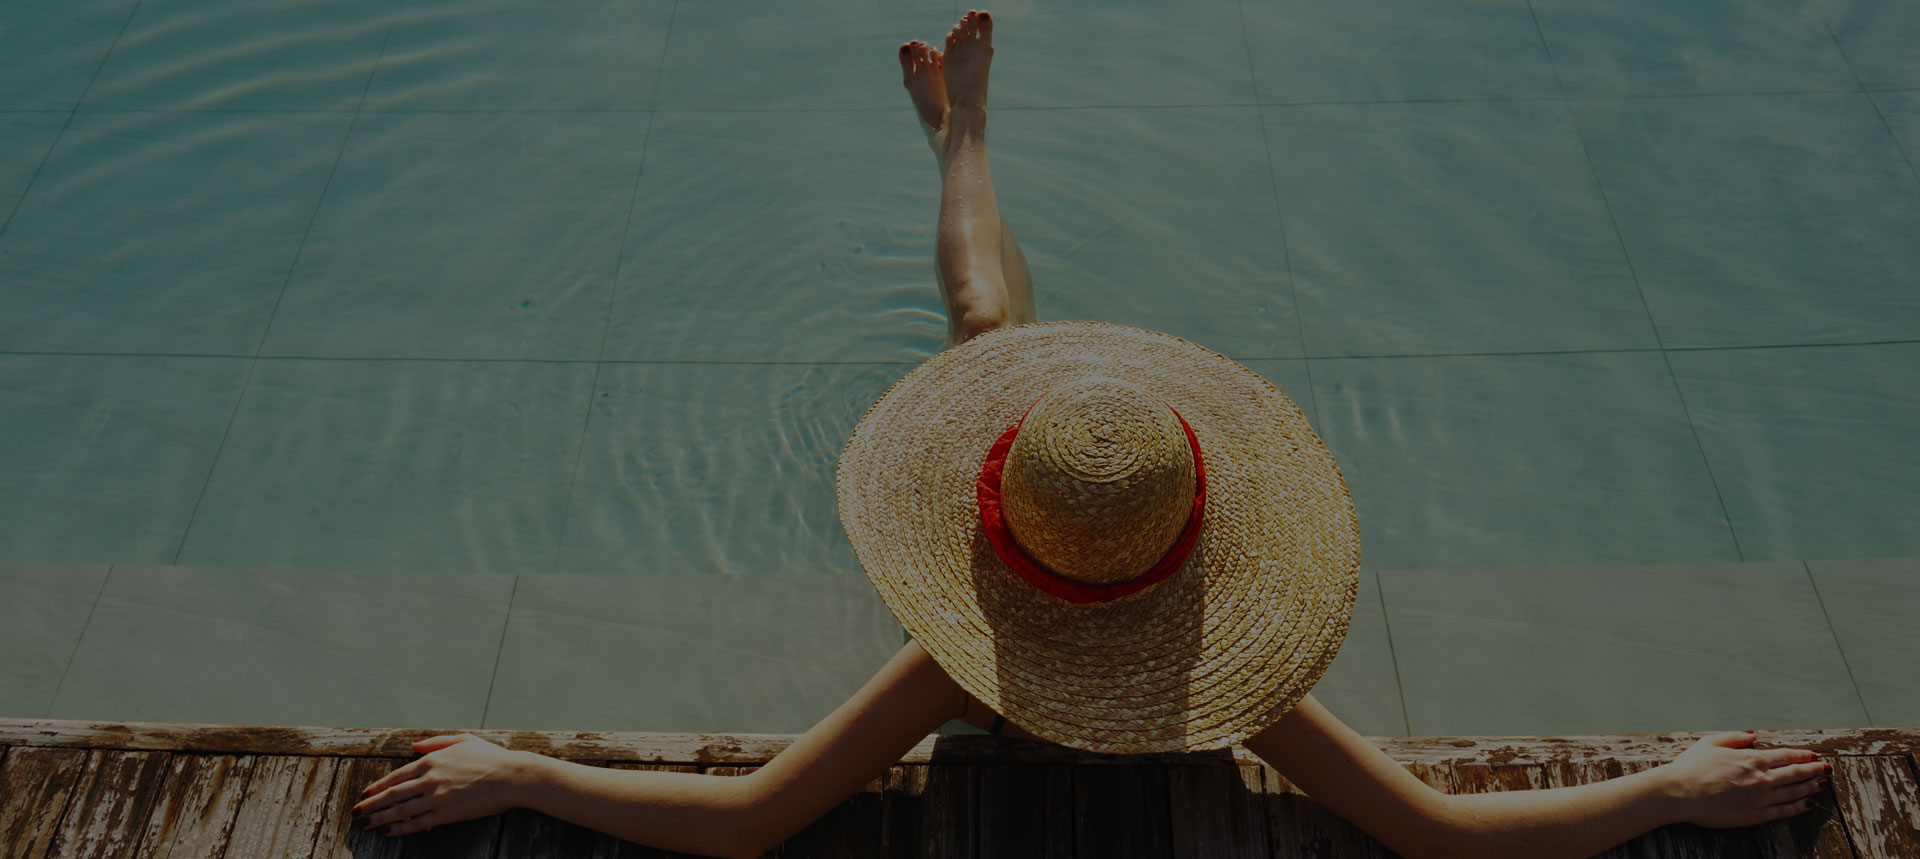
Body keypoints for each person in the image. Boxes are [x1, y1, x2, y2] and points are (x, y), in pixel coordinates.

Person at [346, 12, 1832, 859]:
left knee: (990, 333)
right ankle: (968, 141)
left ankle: (967, 143)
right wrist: (1664, 791)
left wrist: (523, 768)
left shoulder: (1003, 668)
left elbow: (750, 820)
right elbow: (1436, 837)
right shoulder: (1209, 672)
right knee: (991, 335)